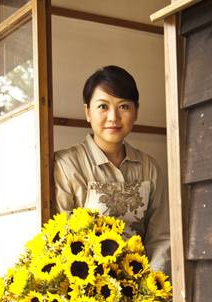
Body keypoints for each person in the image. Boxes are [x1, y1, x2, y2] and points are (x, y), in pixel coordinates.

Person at [53, 65, 171, 277]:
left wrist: (150, 291)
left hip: (142, 290)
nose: (113, 117)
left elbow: (161, 237)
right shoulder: (66, 164)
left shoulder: (149, 168)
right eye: (103, 106)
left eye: (124, 106)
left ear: (136, 111)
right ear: (87, 112)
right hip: (85, 290)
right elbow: (59, 237)